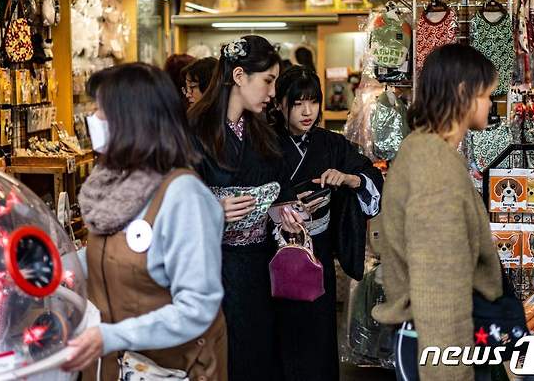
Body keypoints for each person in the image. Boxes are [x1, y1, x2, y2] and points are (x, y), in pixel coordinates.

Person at [64, 63, 227, 381]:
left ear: (132, 120)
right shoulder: (112, 186)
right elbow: (110, 255)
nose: (94, 120)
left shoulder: (183, 196)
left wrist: (112, 336)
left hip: (172, 369)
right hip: (114, 366)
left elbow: (197, 307)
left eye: (102, 111)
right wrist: (55, 268)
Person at [372, 44, 503, 381]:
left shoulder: (424, 149)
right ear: (464, 93)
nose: (492, 103)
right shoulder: (436, 166)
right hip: (436, 348)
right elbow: (439, 291)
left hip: (426, 338)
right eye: (488, 95)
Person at [188, 35, 304, 381]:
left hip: (259, 262)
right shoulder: (194, 128)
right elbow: (174, 196)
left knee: (259, 352)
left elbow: (276, 186)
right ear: (239, 76)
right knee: (222, 355)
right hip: (214, 265)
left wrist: (284, 213)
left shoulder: (262, 129)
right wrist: (213, 209)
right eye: (267, 81)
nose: (272, 93)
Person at [272, 65, 384, 381]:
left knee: (318, 339)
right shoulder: (265, 143)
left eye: (313, 102)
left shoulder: (331, 145)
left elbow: (371, 176)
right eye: (297, 103)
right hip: (274, 253)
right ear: (280, 103)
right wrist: (282, 209)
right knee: (278, 339)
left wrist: (350, 179)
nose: (308, 111)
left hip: (317, 252)